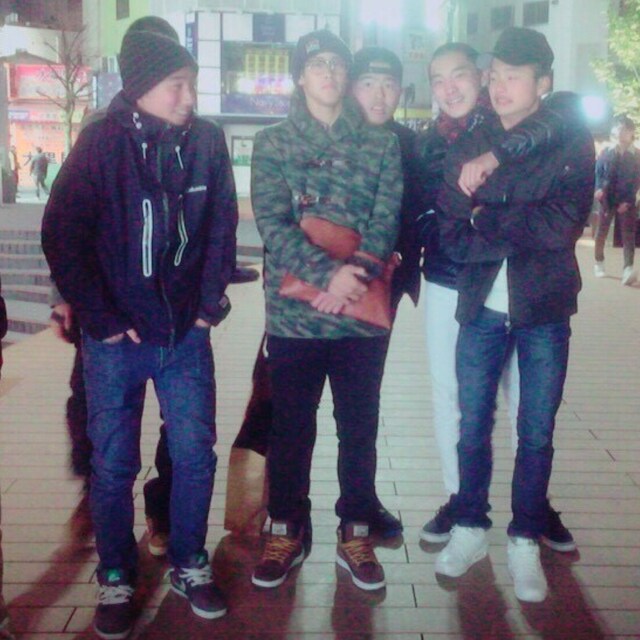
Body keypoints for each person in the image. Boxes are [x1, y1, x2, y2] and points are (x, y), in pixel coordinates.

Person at [42, 23, 238, 639]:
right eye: (178, 85)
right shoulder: (101, 142)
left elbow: (222, 227)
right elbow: (62, 233)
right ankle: (116, 575)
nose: (189, 97)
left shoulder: (207, 141)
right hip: (115, 344)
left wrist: (206, 307)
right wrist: (99, 318)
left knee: (195, 453)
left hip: (185, 336)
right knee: (113, 463)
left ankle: (189, 560)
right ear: (143, 85)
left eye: (192, 84)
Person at [434, 27, 594, 602]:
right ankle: (469, 526)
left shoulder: (569, 139)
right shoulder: (469, 140)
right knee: (472, 424)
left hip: (544, 308)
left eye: (514, 77)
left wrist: (488, 213)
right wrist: (504, 217)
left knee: (537, 429)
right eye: (495, 75)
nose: (499, 87)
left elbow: (562, 226)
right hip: (480, 306)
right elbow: (451, 228)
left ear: (542, 83)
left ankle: (525, 537)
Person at [250, 29, 402, 592]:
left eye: (338, 63)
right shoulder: (272, 142)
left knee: (359, 427)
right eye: (318, 65)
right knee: (291, 427)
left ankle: (355, 530)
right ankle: (286, 528)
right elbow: (272, 224)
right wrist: (326, 275)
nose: (330, 73)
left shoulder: (381, 143)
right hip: (295, 319)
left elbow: (386, 217)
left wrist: (350, 276)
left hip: (360, 316)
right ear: (299, 76)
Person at [47, 15, 189, 560]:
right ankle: (98, 490)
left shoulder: (190, 134)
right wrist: (70, 297)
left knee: (180, 422)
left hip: (171, 314)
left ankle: (161, 507)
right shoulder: (99, 132)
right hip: (105, 309)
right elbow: (69, 223)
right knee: (93, 404)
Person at [593, 115, 640, 285]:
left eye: (625, 129)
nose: (621, 132)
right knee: (601, 232)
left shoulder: (636, 155)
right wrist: (598, 189)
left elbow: (637, 180)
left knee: (628, 235)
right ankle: (599, 262)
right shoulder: (606, 151)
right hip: (607, 198)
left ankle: (628, 268)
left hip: (627, 200)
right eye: (618, 128)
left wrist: (629, 201)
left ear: (631, 132)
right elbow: (598, 173)